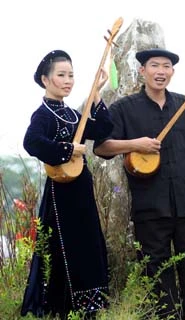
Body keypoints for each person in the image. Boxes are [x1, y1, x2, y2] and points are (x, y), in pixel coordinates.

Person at [93, 48, 185, 319]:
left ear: (172, 72)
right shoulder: (124, 108)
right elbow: (102, 147)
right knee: (156, 269)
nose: (161, 71)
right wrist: (135, 144)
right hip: (150, 206)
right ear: (143, 71)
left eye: (166, 66)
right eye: (155, 66)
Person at [21, 50, 112, 319]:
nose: (68, 80)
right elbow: (32, 142)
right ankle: (63, 307)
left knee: (88, 244)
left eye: (71, 75)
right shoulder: (44, 114)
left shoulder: (73, 114)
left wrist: (96, 94)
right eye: (61, 75)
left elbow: (103, 129)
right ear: (45, 80)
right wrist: (66, 149)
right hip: (60, 194)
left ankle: (90, 306)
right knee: (65, 246)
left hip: (81, 189)